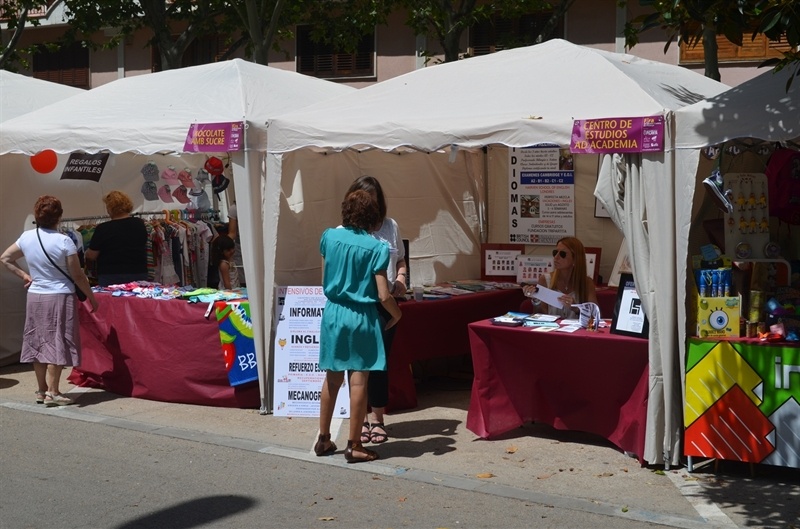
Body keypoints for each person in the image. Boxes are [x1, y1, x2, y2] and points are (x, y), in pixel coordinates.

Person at [314, 189, 402, 463]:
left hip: (333, 311)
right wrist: (397, 315)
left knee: (331, 377)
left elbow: (324, 279)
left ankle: (323, 438)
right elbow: (383, 294)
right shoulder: (376, 248)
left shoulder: (329, 237)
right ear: (372, 217)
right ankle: (354, 444)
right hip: (362, 315)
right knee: (359, 379)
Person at [0, 195, 99, 407]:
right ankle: (53, 392)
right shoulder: (64, 241)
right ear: (59, 217)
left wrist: (24, 275)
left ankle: (41, 390)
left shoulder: (27, 237)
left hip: (35, 295)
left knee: (38, 341)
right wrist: (91, 297)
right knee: (58, 341)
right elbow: (78, 275)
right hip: (60, 296)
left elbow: (5, 258)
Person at [344, 175, 407, 445]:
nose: (367, 205)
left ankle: (377, 418)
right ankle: (360, 420)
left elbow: (400, 259)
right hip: (359, 305)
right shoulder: (344, 231)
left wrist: (401, 278)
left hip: (386, 303)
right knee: (357, 365)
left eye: (372, 199)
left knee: (379, 363)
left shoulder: (390, 225)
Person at [522, 236, 598, 318]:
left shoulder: (586, 283)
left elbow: (595, 316)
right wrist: (536, 300)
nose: (556, 257)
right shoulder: (545, 280)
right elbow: (540, 315)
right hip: (552, 326)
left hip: (577, 326)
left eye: (562, 254)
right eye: (555, 252)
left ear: (575, 259)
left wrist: (576, 308)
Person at [85, 190, 148, 287]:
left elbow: (92, 255)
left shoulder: (103, 228)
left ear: (110, 208)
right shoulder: (139, 224)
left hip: (111, 274)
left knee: (111, 297)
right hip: (138, 272)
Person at [226, 201, 246, 287]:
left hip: (241, 245)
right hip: (244, 246)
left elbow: (232, 233)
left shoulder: (234, 208)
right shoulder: (235, 208)